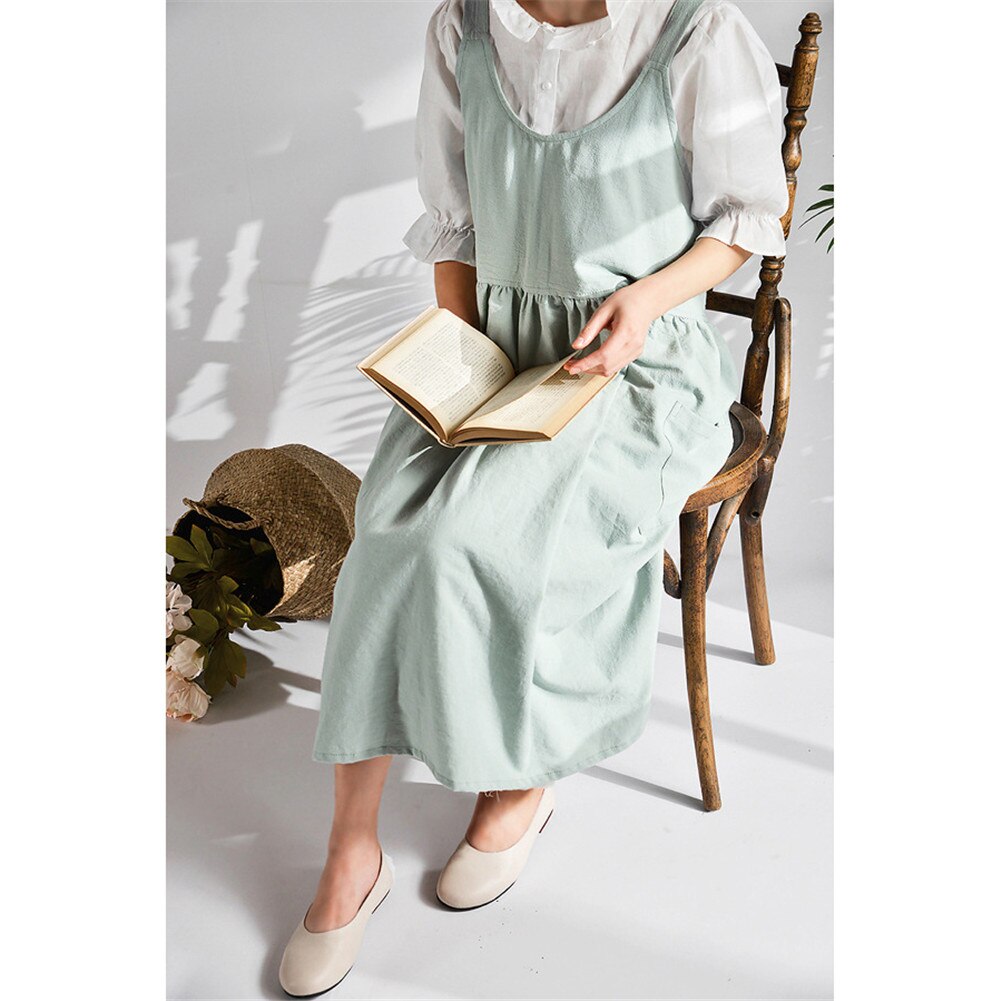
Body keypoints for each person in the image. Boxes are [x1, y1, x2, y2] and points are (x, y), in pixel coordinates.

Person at [279, 1, 788, 995]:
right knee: (386, 531)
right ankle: (350, 850)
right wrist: (464, 362)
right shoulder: (464, 28)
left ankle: (523, 775)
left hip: (634, 365)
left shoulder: (691, 30)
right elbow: (458, 224)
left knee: (475, 539)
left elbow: (742, 221)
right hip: (498, 348)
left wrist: (642, 300)